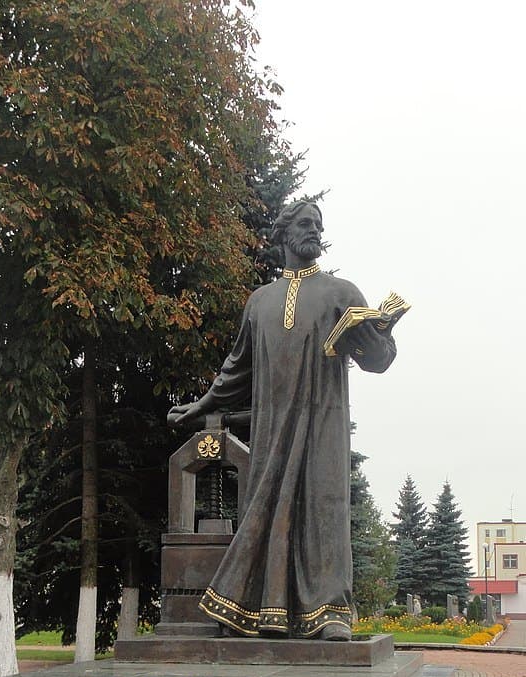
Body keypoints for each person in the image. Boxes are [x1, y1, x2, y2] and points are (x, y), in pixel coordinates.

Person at [167, 201, 397, 640]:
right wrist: (199, 408)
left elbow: (379, 361)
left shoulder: (342, 293)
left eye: (320, 226)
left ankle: (328, 612)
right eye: (307, 224)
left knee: (324, 505)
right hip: (273, 427)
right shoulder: (261, 302)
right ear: (285, 233)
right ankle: (255, 609)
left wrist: (375, 337)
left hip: (322, 424)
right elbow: (236, 369)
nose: (316, 231)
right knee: (265, 508)